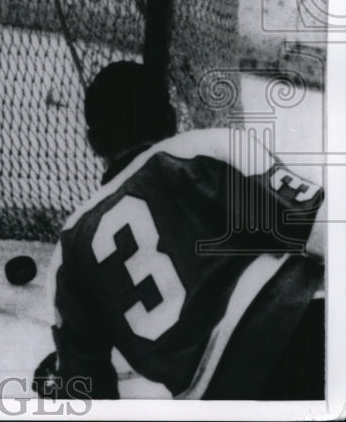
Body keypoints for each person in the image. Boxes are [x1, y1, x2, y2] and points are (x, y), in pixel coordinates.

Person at [37, 61, 325, 400]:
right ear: (170, 118)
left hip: (221, 399)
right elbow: (323, 227)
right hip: (297, 328)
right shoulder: (205, 150)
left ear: (93, 141)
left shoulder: (68, 252)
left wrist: (65, 379)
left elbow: (89, 396)